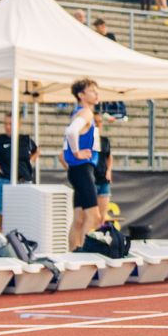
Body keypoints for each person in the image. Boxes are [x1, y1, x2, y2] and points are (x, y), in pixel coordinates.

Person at [62, 79, 102, 254]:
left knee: (79, 219)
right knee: (94, 218)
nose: (96, 94)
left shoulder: (79, 113)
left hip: (78, 170)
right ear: (81, 95)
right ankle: (86, 255)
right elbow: (71, 132)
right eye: (92, 91)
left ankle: (73, 253)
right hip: (82, 169)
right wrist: (77, 152)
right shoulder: (86, 113)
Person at [0, 116, 39, 214]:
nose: (8, 127)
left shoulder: (26, 140)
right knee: (5, 217)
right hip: (6, 181)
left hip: (25, 182)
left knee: (25, 215)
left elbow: (37, 151)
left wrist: (30, 161)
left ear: (18, 125)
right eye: (6, 124)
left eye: (11, 124)